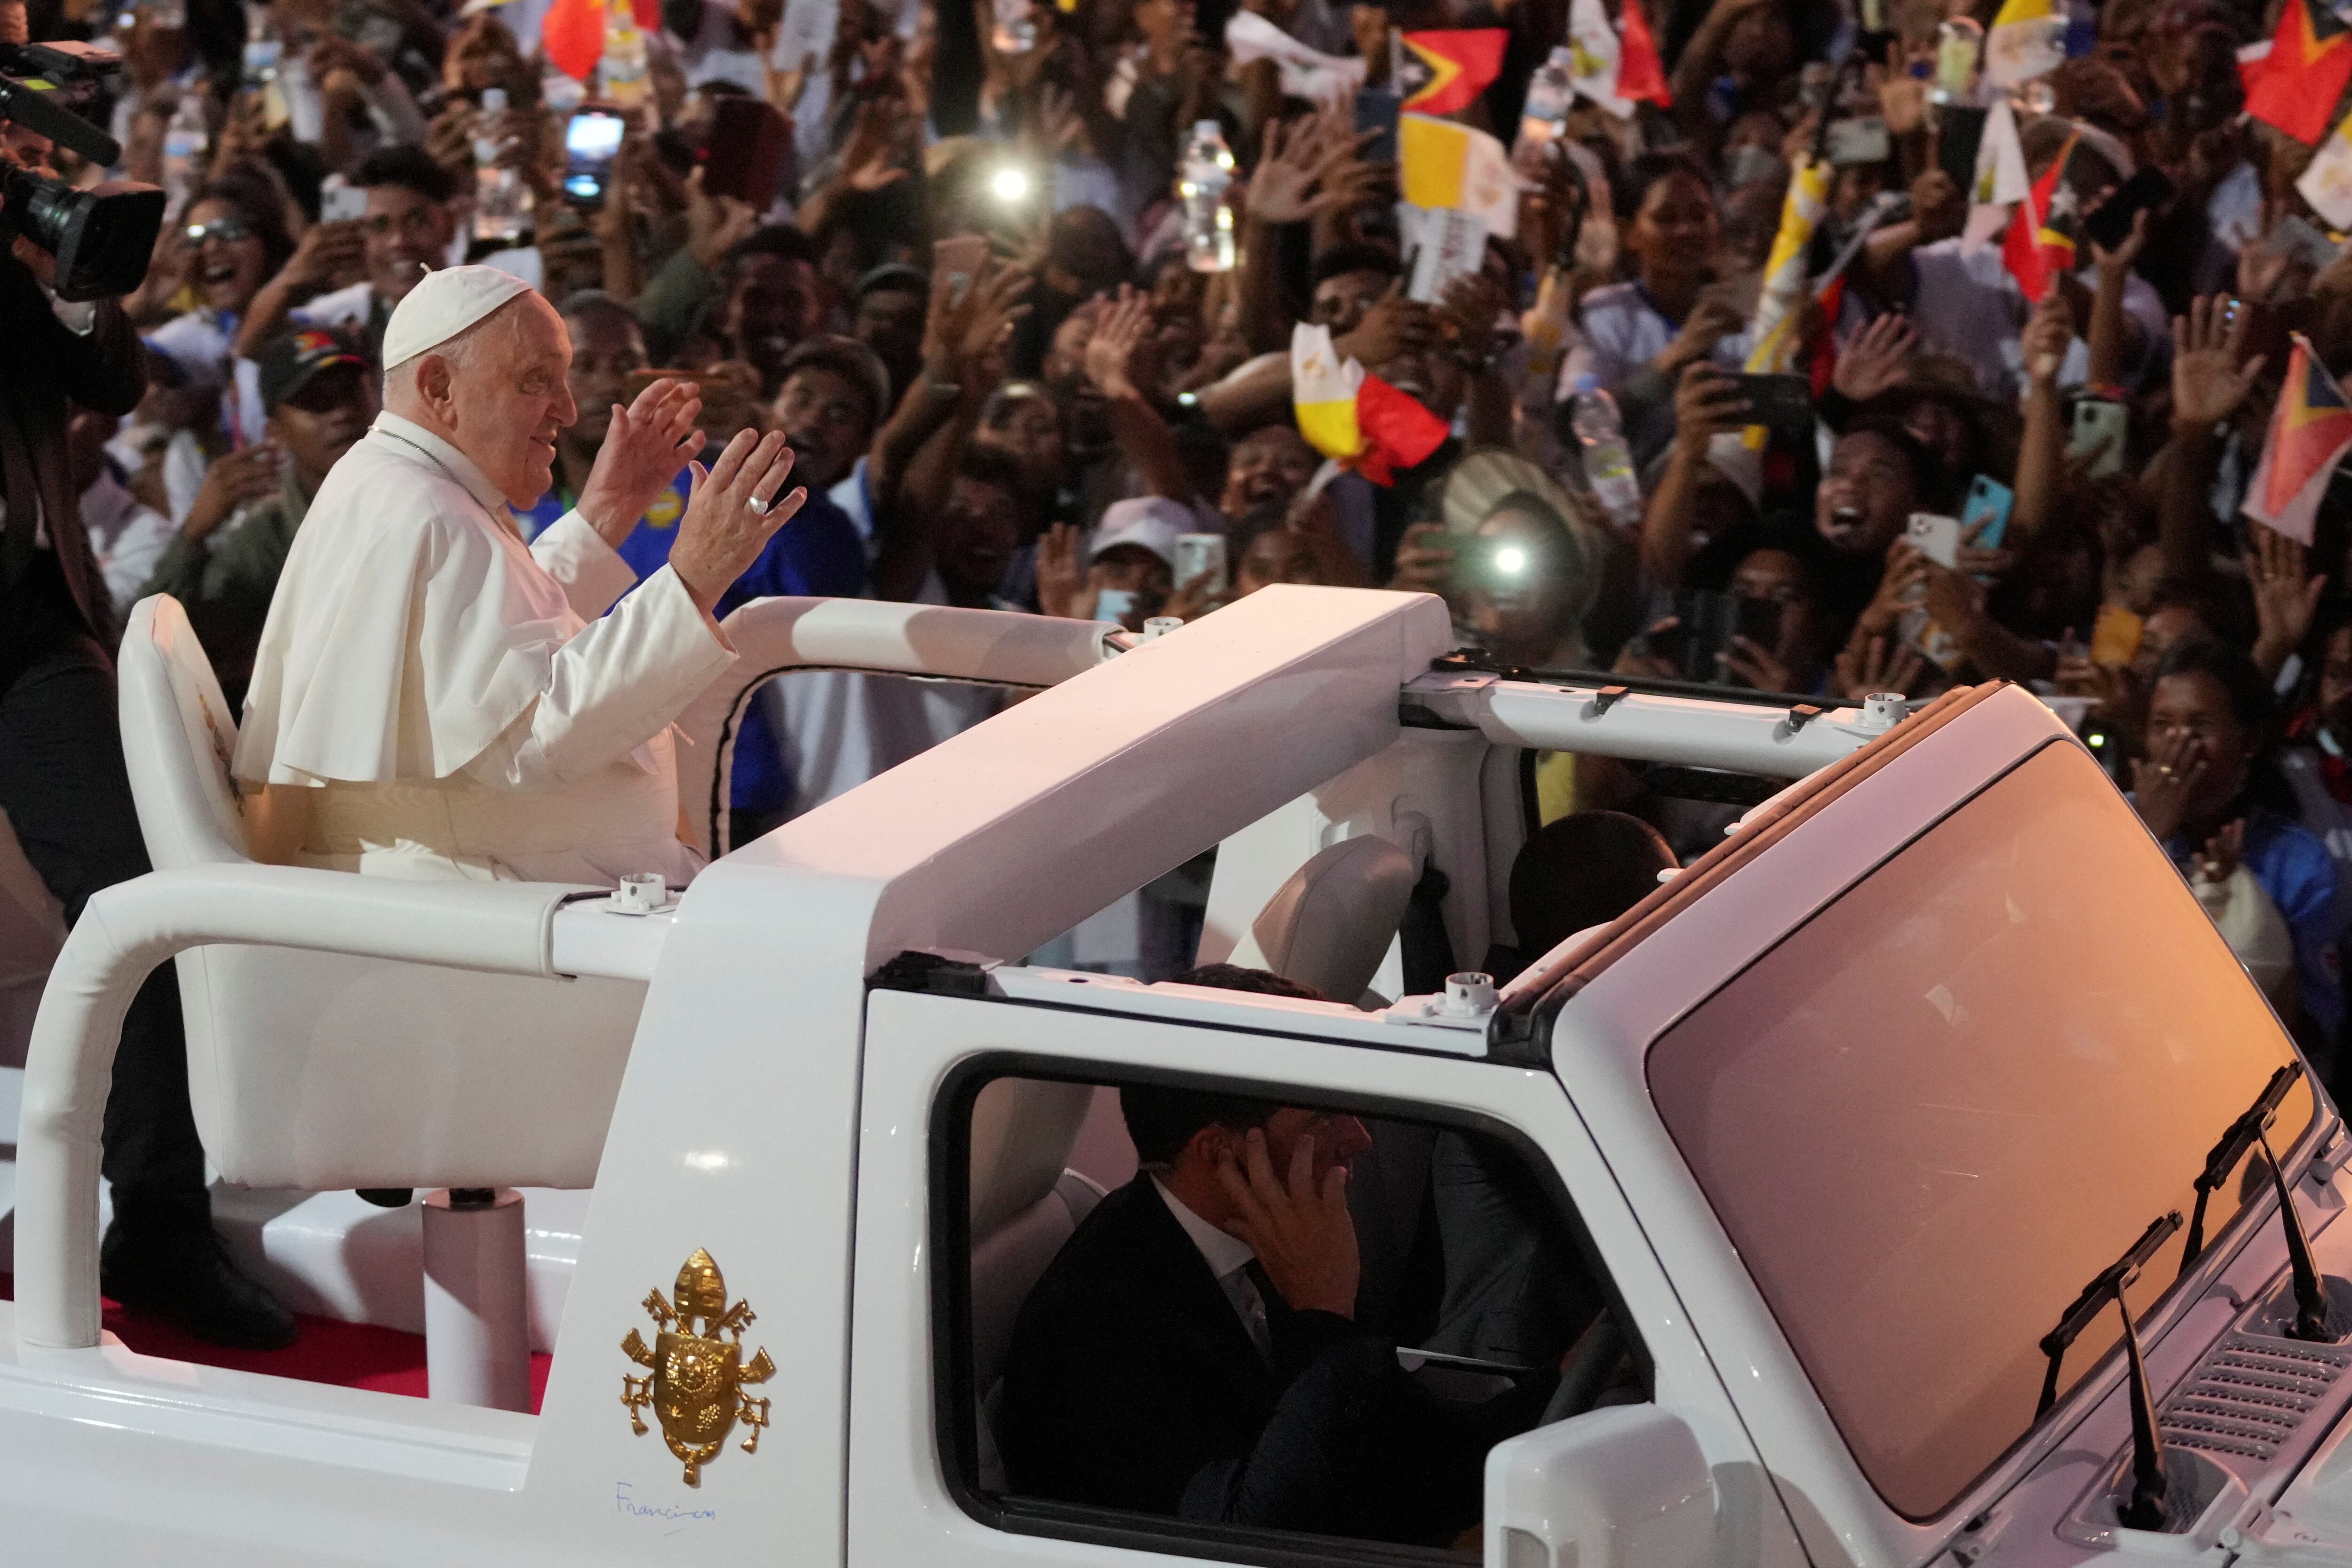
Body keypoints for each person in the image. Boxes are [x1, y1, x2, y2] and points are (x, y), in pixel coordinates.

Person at [1, 109, 294, 1348]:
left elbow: (110, 377)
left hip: (25, 622)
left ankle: (158, 1213)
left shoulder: (14, 233)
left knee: (137, 891)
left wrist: (75, 286)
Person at [231, 265, 803, 885]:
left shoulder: (404, 485)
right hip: (510, 923)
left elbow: (494, 650)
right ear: (440, 385)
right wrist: (693, 578)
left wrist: (604, 516)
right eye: (537, 380)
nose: (566, 408)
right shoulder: (424, 509)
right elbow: (535, 735)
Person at [997, 973, 1558, 1543]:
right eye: (1323, 1118)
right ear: (1219, 1152)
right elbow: (1251, 1535)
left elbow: (1397, 1454)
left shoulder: (1274, 1235)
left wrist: (1563, 1391)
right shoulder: (1098, 1326)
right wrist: (1324, 1311)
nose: (1358, 1137)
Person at [142, 328, 378, 708]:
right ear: (275, 432)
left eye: (349, 392)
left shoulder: (432, 484)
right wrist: (193, 535)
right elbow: (157, 643)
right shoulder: (269, 535)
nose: (342, 413)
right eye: (315, 401)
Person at [2133, 638, 2341, 1058]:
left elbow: (2313, 1035)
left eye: (2201, 727)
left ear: (2249, 740)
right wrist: (2145, 836)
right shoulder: (2105, 818)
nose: (2181, 748)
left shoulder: (2298, 864)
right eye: (2162, 725)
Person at [237, 145, 459, 365]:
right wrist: (294, 275)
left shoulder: (489, 289)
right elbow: (252, 346)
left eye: (416, 222)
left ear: (448, 224)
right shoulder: (352, 313)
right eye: (379, 226)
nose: (399, 241)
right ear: (356, 239)